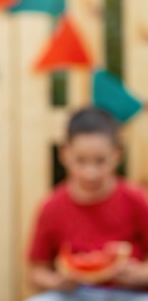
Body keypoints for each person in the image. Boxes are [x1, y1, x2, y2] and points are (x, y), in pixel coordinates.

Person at [25, 107, 148, 301]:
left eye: (100, 161)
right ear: (65, 154)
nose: (90, 173)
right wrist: (58, 282)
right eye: (80, 161)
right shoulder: (52, 206)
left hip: (130, 294)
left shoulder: (137, 200)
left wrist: (139, 274)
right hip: (75, 294)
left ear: (117, 154)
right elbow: (37, 272)